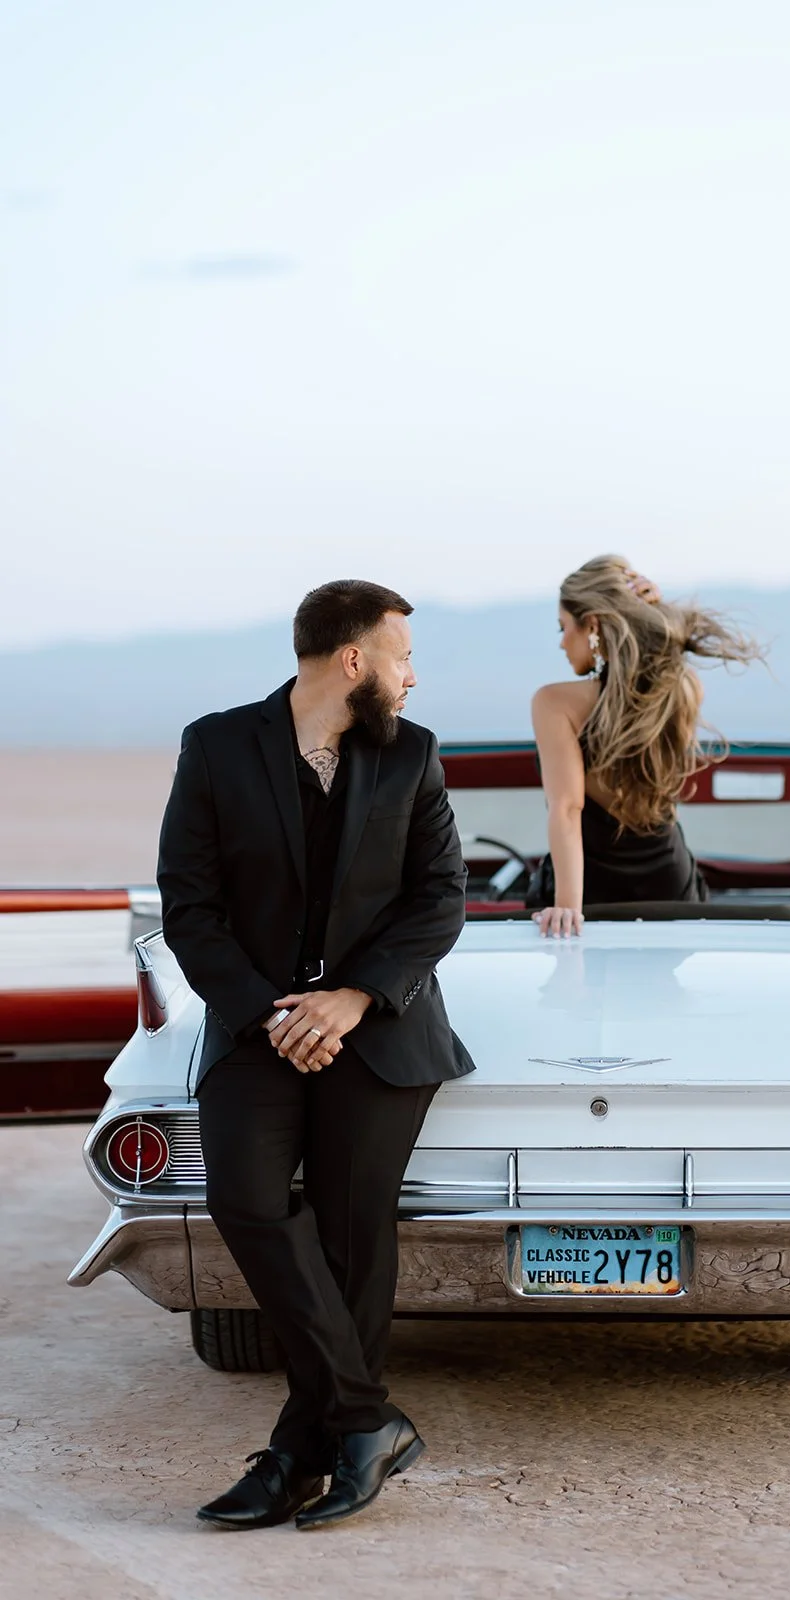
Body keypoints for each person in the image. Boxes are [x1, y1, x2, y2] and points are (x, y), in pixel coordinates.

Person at [156, 579, 474, 1531]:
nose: (412, 676)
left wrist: (350, 998)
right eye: (402, 655)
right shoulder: (216, 745)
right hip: (256, 1028)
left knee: (349, 1239)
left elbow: (439, 898)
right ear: (353, 660)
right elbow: (190, 905)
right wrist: (270, 1014)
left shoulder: (411, 755)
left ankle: (301, 1449)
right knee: (245, 1202)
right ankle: (365, 1421)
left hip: (378, 1032)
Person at [529, 555, 763, 938]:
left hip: (589, 892)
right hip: (671, 888)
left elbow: (568, 808)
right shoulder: (685, 690)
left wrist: (568, 907)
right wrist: (653, 615)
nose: (561, 642)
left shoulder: (553, 703)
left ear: (592, 625)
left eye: (563, 627)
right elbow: (660, 672)